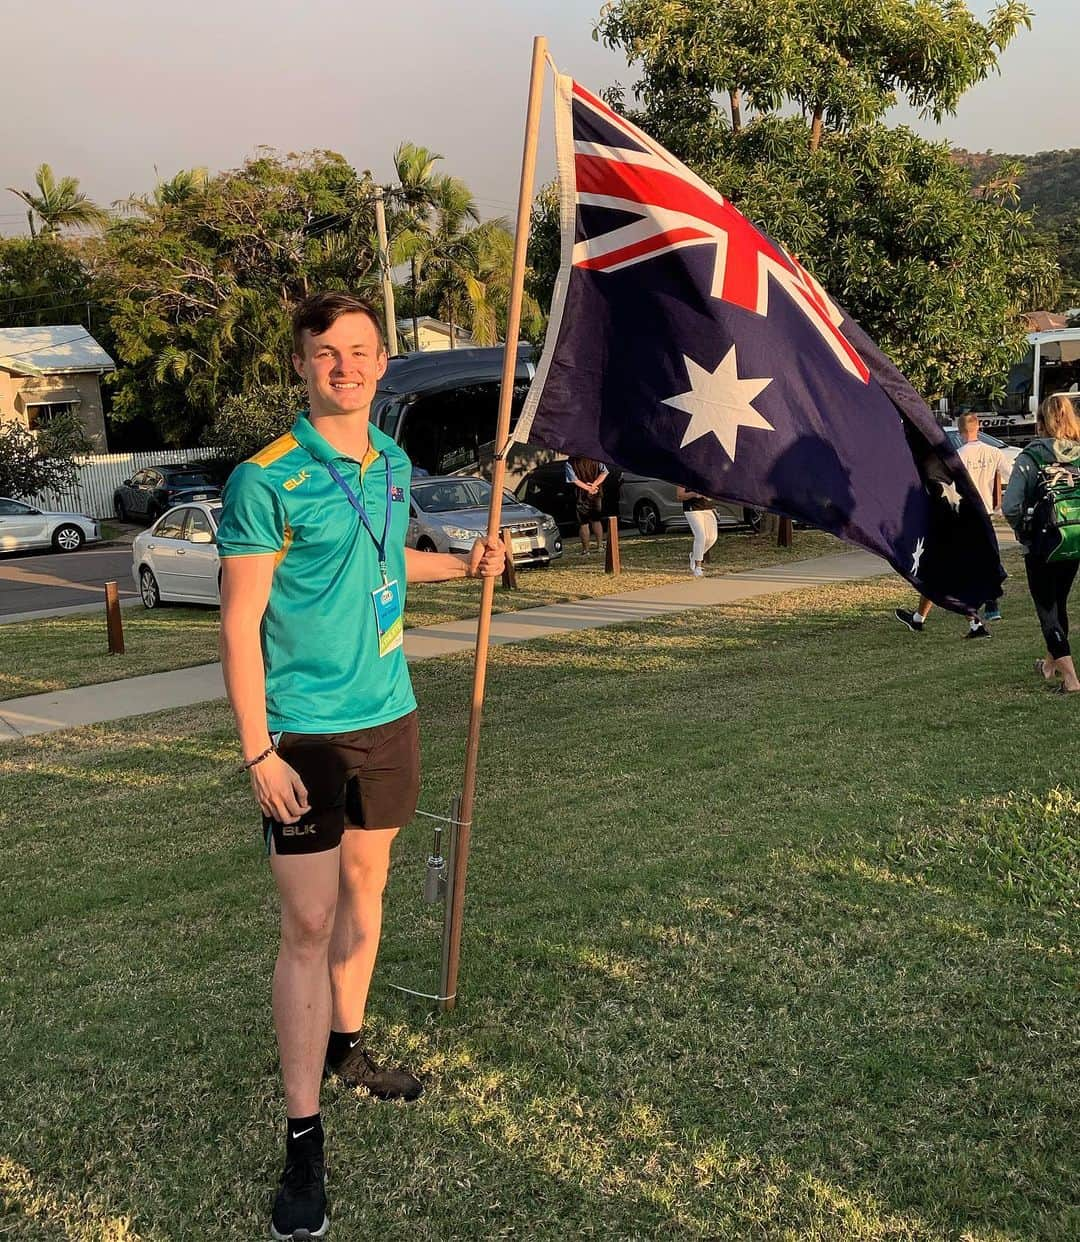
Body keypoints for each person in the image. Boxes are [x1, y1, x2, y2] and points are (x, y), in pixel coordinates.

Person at [216, 292, 504, 1240]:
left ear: (383, 363)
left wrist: (462, 566)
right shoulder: (267, 479)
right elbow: (240, 623)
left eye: (363, 351)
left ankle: (350, 1049)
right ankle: (304, 1141)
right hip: (302, 733)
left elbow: (385, 561)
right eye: (329, 353)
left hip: (390, 716)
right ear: (300, 365)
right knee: (308, 922)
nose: (349, 365)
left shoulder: (390, 461)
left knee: (369, 891)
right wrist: (257, 749)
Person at [894, 413, 1007, 637]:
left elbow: (943, 487)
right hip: (977, 514)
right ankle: (920, 618)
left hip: (955, 517)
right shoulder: (984, 452)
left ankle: (978, 619)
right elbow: (1004, 475)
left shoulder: (951, 458)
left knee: (948, 570)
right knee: (949, 569)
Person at [1002, 393, 1080, 694]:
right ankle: (1050, 664)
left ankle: (1071, 678)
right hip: (1074, 538)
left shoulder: (1031, 457)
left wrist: (1023, 530)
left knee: (1046, 609)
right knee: (1059, 601)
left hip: (1043, 543)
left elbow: (1011, 506)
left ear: (1041, 423)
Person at [565, 455, 608, 553]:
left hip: (581, 495)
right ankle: (600, 546)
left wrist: (587, 488)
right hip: (596, 493)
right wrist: (594, 485)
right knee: (596, 520)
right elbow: (604, 473)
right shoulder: (596, 457)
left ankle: (586, 549)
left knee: (583, 523)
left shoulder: (571, 462)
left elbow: (574, 479)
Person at [675, 485, 717, 577]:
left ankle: (695, 556)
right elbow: (679, 496)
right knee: (701, 536)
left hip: (707, 508)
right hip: (692, 509)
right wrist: (694, 494)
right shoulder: (684, 476)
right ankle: (698, 567)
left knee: (711, 538)